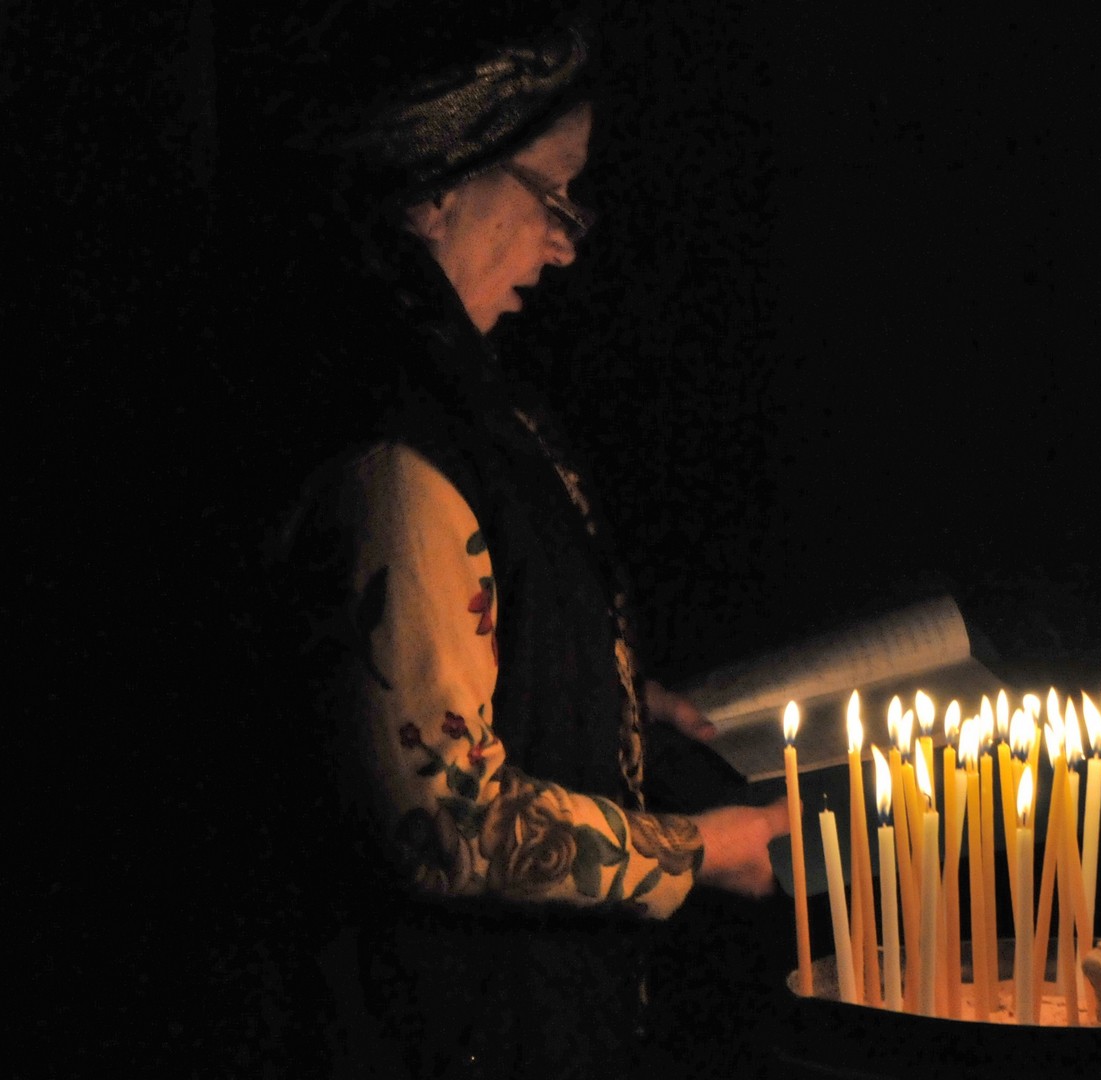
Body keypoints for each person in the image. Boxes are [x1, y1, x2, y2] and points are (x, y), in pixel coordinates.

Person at [217, 10, 792, 1077]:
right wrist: (702, 849)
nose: (567, 242)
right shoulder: (393, 436)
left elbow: (483, 633)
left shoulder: (471, 405)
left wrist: (606, 696)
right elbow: (442, 819)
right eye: (552, 190)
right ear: (437, 182)